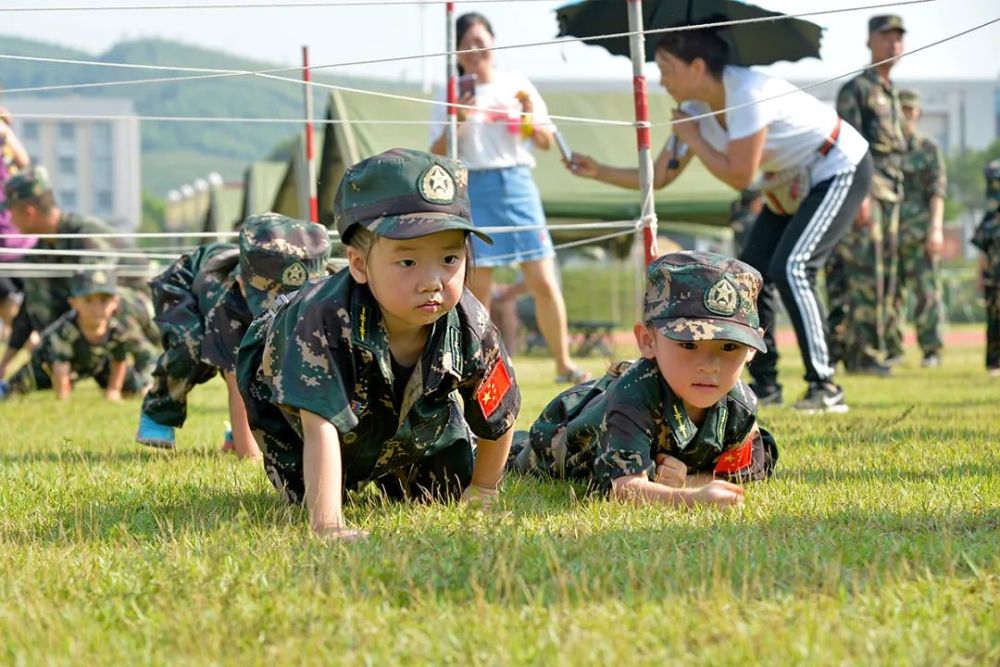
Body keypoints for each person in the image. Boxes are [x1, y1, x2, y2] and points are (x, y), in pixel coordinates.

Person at [567, 25, 871, 413]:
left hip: (837, 164)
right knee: (753, 276)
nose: (662, 80)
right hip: (788, 181)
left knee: (793, 267)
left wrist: (693, 137)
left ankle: (824, 385)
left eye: (667, 68)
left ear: (697, 67)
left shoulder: (747, 94)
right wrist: (597, 171)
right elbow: (660, 176)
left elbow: (740, 175)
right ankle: (766, 384)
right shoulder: (694, 110)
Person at [237, 149, 520, 540]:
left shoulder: (471, 323)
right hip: (296, 414)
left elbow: (499, 410)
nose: (432, 281)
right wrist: (329, 525)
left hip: (406, 415)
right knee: (308, 492)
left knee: (444, 490)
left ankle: (396, 461)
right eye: (408, 262)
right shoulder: (321, 320)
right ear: (358, 264)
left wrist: (484, 489)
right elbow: (319, 424)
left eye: (450, 258)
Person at [508, 251, 777, 509]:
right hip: (550, 452)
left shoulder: (739, 404)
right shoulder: (635, 394)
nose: (709, 366)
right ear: (648, 341)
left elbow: (746, 469)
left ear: (751, 349)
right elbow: (622, 488)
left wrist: (687, 479)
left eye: (729, 346)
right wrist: (691, 497)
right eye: (688, 344)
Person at [429, 12, 589, 384]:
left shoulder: (516, 84)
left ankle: (564, 364)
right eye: (465, 43)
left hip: (518, 183)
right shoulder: (450, 91)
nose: (474, 49)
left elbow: (545, 140)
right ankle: (481, 369)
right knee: (478, 286)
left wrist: (528, 116)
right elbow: (436, 151)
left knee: (543, 281)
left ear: (494, 41)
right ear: (455, 51)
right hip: (473, 185)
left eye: (480, 40)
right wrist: (459, 117)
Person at [135, 213, 331, 459]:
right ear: (240, 282)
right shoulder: (227, 302)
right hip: (185, 287)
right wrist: (250, 455)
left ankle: (243, 434)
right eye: (273, 302)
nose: (281, 310)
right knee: (190, 346)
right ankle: (159, 411)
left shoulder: (327, 296)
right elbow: (238, 382)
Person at [826, 15, 908, 376]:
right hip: (868, 193)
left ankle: (878, 347)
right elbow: (849, 147)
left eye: (898, 37)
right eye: (886, 36)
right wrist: (859, 197)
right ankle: (863, 356)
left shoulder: (891, 92)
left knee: (886, 277)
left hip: (892, 194)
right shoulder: (856, 89)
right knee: (865, 277)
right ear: (870, 41)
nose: (894, 44)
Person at [0, 166, 118, 382]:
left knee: (91, 301)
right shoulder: (41, 251)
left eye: (11, 213)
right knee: (20, 383)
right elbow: (28, 311)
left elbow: (97, 304)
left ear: (29, 212)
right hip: (82, 334)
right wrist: (4, 364)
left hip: (124, 332)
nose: (11, 221)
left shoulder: (85, 237)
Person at [0, 269, 155, 401]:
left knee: (134, 388)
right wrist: (63, 399)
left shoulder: (117, 329)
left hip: (93, 364)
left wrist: (113, 391)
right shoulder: (65, 331)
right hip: (48, 366)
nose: (97, 308)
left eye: (104, 300)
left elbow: (119, 360)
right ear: (73, 303)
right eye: (88, 300)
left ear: (115, 302)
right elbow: (60, 366)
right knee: (18, 386)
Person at [885, 89, 947, 367]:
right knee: (890, 295)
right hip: (889, 234)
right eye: (901, 109)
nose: (905, 116)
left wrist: (936, 229)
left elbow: (937, 192)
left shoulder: (929, 148)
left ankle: (931, 351)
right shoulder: (885, 149)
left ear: (918, 114)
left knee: (927, 293)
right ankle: (894, 350)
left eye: (910, 111)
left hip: (921, 234)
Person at [0, 100, 34, 339]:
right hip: (13, 241)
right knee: (11, 312)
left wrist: (4, 128)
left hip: (13, 241)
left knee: (15, 314)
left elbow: (24, 162)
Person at [971, 159, 1000, 377]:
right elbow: (982, 251)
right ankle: (994, 363)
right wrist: (980, 276)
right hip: (993, 278)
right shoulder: (989, 220)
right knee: (994, 321)